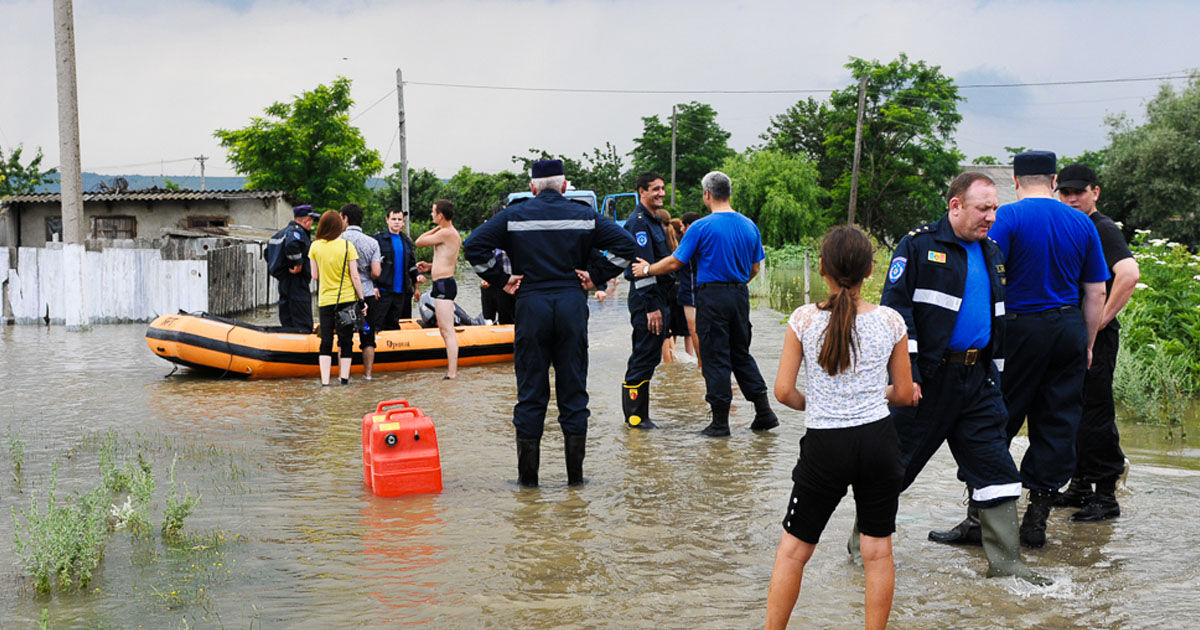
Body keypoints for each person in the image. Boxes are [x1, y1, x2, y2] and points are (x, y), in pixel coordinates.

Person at [929, 151, 1108, 549]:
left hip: (1019, 328)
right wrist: (1088, 342)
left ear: (1014, 179)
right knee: (1058, 421)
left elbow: (982, 276)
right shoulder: (1082, 222)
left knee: (994, 417)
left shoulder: (1006, 218)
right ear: (1055, 178)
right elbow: (1096, 291)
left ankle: (980, 520)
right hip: (1068, 329)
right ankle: (1036, 522)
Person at [875, 172, 1047, 585]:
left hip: (978, 382)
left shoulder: (991, 252)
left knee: (997, 469)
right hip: (927, 382)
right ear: (955, 206)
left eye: (994, 209)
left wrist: (996, 379)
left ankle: (1008, 566)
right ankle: (863, 554)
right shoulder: (918, 246)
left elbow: (998, 322)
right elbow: (896, 315)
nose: (991, 217)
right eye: (982, 208)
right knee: (891, 469)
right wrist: (908, 376)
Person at [765, 225, 914, 630]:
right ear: (870, 269)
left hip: (824, 446)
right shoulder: (890, 321)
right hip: (878, 443)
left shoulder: (803, 320)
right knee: (878, 552)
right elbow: (903, 394)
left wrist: (822, 405)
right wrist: (879, 393)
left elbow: (782, 392)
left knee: (794, 551)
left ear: (823, 269)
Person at [463, 159, 636, 487]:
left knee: (530, 392)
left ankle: (528, 486)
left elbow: (473, 246)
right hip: (571, 304)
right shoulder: (584, 215)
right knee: (574, 391)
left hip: (531, 305)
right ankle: (576, 484)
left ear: (532, 188)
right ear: (565, 186)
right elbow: (625, 247)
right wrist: (595, 276)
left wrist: (501, 279)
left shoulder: (514, 216)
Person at [633, 171, 778, 437]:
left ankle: (720, 423)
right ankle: (764, 412)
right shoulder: (749, 225)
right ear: (729, 193)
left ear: (707, 194)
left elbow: (677, 262)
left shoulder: (701, 227)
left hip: (712, 297)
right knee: (741, 353)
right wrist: (736, 283)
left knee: (714, 356)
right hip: (739, 295)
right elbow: (755, 268)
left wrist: (647, 270)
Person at [1054, 163, 1139, 522]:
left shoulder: (1102, 228)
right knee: (1073, 410)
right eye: (1066, 192)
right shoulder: (1075, 225)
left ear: (1095, 192)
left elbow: (1130, 274)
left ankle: (1105, 496)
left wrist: (1097, 322)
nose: (1072, 199)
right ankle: (1079, 486)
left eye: (1080, 192)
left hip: (1097, 339)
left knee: (1095, 413)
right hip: (1075, 336)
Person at [620, 173, 675, 429]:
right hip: (647, 301)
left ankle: (642, 415)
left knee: (651, 357)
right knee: (643, 356)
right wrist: (652, 307)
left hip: (660, 298)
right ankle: (635, 417)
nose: (661, 193)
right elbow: (640, 269)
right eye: (656, 189)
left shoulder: (654, 221)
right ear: (642, 191)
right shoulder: (639, 223)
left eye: (663, 188)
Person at [308, 210, 366, 386]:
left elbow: (315, 275)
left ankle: (325, 381)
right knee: (346, 340)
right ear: (339, 226)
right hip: (347, 300)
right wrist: (362, 299)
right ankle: (344, 379)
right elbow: (355, 276)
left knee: (326, 340)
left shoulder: (315, 246)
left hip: (325, 300)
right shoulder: (348, 246)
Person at [414, 199, 462, 380]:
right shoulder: (447, 233)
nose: (431, 215)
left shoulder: (447, 233)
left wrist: (438, 228)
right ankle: (451, 371)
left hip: (445, 284)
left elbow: (419, 242)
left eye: (434, 212)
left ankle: (452, 373)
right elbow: (446, 260)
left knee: (447, 330)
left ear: (440, 216)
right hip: (441, 282)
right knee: (443, 329)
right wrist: (429, 266)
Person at [339, 204, 382, 380]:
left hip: (345, 295)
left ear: (346, 218)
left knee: (344, 338)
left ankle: (344, 376)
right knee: (368, 336)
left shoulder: (337, 241)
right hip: (367, 294)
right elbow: (376, 272)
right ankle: (368, 375)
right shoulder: (372, 242)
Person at [266, 204, 320, 331]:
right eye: (312, 220)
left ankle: (289, 338)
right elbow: (292, 245)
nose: (312, 224)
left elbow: (267, 253)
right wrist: (297, 264)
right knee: (302, 319)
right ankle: (303, 342)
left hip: (284, 281)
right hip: (296, 281)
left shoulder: (279, 234)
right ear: (306, 220)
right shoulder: (296, 232)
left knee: (287, 316)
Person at [372, 206, 425, 329]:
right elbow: (370, 266)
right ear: (387, 220)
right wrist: (373, 286)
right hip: (383, 292)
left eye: (399, 219)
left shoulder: (407, 241)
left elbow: (411, 265)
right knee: (378, 324)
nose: (396, 222)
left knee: (396, 325)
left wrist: (417, 276)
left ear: (403, 222)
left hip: (402, 293)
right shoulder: (377, 239)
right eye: (393, 219)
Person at [658, 209, 683, 363]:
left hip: (664, 288)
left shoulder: (659, 240)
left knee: (664, 330)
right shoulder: (675, 241)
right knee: (669, 328)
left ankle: (668, 366)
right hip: (676, 287)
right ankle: (673, 358)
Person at [677, 212, 701, 364]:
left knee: (694, 330)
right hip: (707, 290)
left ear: (688, 226)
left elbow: (674, 262)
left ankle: (701, 365)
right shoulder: (707, 238)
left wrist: (649, 269)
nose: (680, 231)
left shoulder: (690, 240)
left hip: (691, 290)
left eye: (681, 227)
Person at [480, 248, 516, 324]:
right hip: (498, 282)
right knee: (488, 317)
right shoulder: (492, 245)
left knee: (507, 317)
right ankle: (489, 322)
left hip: (513, 283)